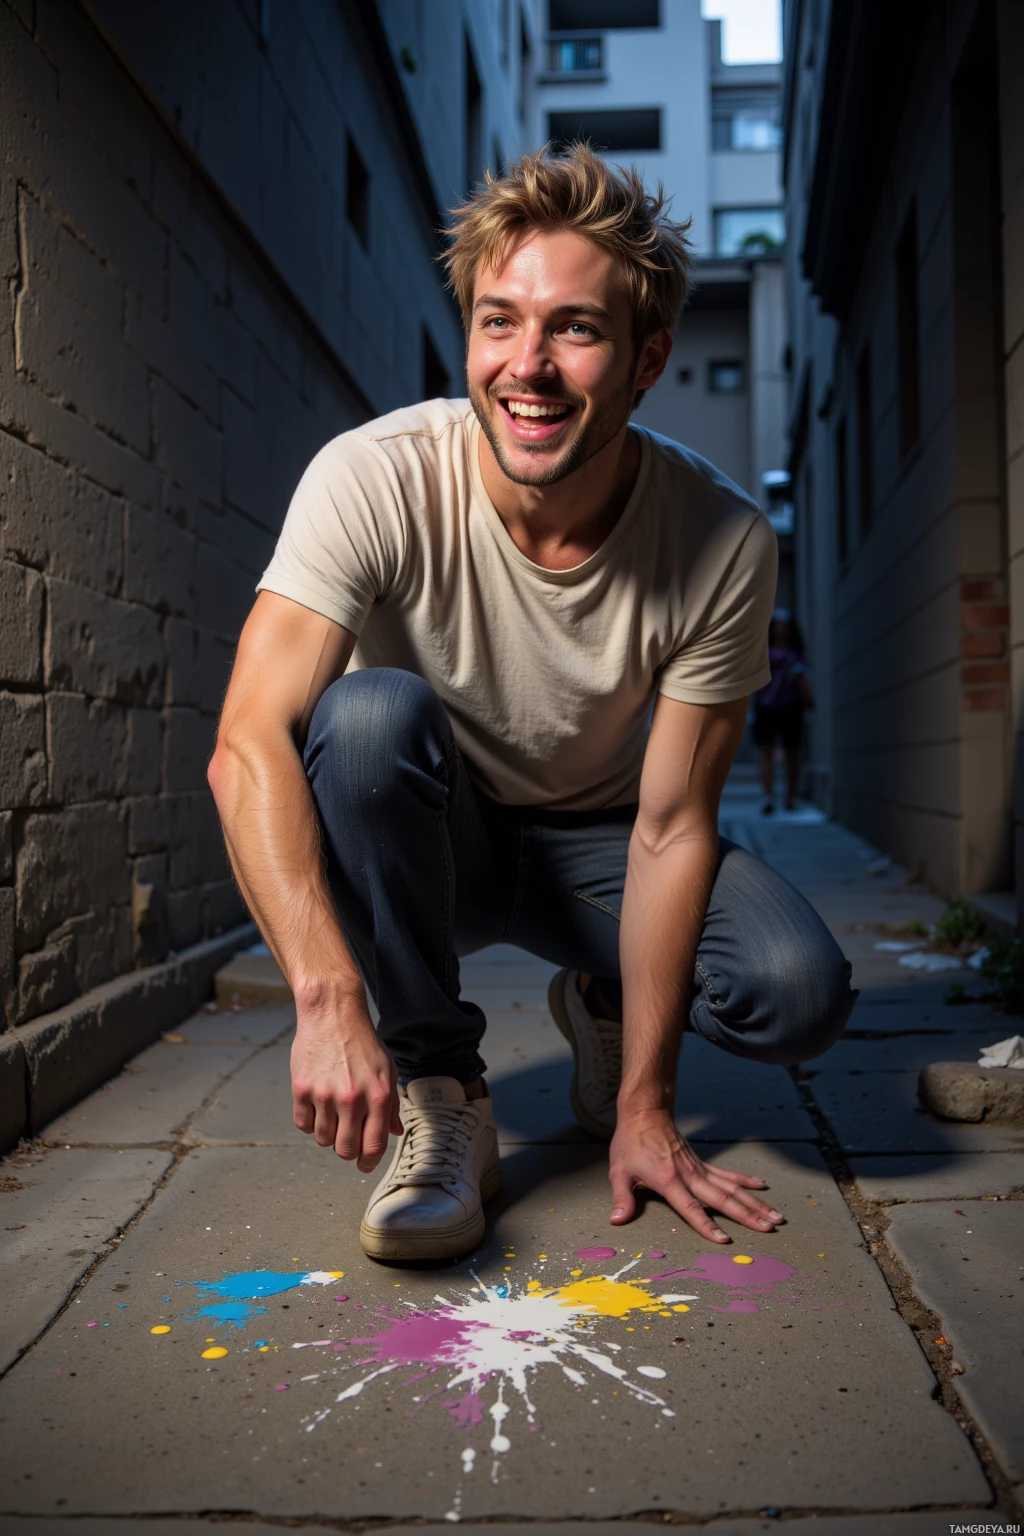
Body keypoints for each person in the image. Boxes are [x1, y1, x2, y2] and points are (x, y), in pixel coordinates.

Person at [208, 144, 854, 1264]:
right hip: (423, 835)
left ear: (648, 358)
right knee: (364, 722)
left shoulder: (721, 538)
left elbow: (672, 825)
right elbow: (247, 743)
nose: (528, 367)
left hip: (597, 846)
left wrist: (650, 1105)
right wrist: (324, 997)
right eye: (499, 321)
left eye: (576, 329)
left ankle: (607, 1008)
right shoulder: (375, 476)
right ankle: (445, 1094)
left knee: (794, 992)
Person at [752, 610, 815, 814]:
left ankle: (790, 796)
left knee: (792, 753)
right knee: (766, 752)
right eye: (778, 625)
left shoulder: (795, 654)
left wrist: (808, 699)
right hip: (766, 706)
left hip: (790, 706)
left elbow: (801, 678)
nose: (781, 629)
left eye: (785, 625)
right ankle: (768, 796)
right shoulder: (764, 652)